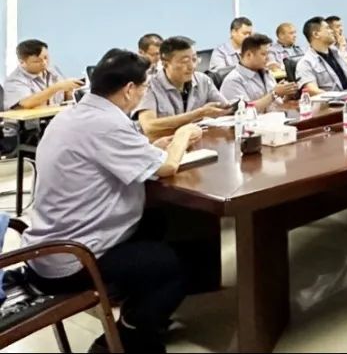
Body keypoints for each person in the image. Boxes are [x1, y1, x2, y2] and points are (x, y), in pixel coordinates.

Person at [22, 49, 203, 353]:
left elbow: (114, 152)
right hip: (72, 258)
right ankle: (125, 337)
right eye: (144, 87)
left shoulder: (75, 115)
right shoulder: (106, 123)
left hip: (46, 246)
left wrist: (154, 147)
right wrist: (183, 135)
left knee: (159, 221)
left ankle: (144, 308)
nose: (144, 94)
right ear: (129, 89)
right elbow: (167, 167)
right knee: (176, 264)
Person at [136, 37, 232, 138]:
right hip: (160, 145)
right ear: (165, 63)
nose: (192, 66)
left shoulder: (202, 80)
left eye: (194, 59)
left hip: (196, 142)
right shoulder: (148, 86)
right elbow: (149, 127)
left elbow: (225, 109)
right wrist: (198, 114)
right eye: (185, 61)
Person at [219, 34, 298, 112]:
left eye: (268, 54)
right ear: (249, 55)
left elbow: (273, 105)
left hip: (278, 117)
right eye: (264, 54)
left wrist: (287, 94)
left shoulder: (265, 73)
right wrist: (274, 93)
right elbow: (244, 111)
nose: (268, 58)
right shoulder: (232, 81)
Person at [2, 39, 82, 110]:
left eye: (46, 57)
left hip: (57, 116)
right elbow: (27, 103)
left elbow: (65, 94)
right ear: (22, 62)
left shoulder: (52, 70)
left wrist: (74, 91)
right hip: (34, 121)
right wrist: (57, 87)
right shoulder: (14, 80)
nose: (44, 63)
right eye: (37, 61)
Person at [295, 17, 347, 95]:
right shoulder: (306, 63)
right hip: (335, 100)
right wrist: (338, 96)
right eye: (327, 28)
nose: (332, 31)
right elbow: (311, 90)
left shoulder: (336, 53)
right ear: (316, 34)